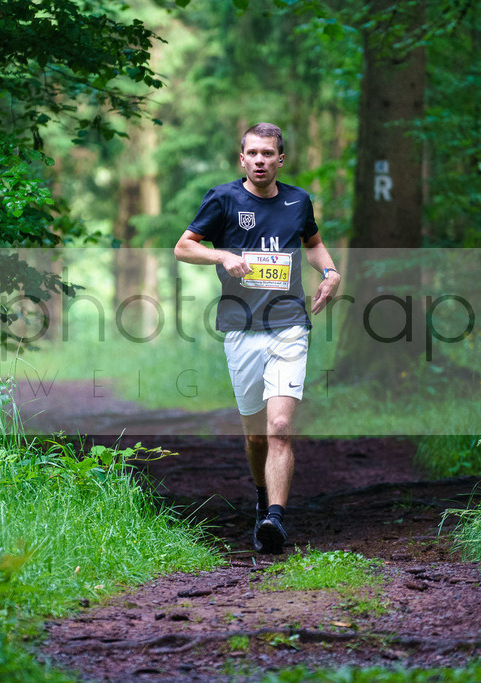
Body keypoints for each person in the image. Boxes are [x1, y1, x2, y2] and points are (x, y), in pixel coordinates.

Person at [173, 122, 341, 555]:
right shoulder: (224, 199)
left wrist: (330, 271)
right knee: (256, 437)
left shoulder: (298, 200)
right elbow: (183, 247)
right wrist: (222, 254)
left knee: (281, 426)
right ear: (242, 159)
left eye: (269, 153)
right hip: (241, 328)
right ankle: (263, 498)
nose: (261, 160)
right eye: (253, 153)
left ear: (280, 159)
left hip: (289, 324)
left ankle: (276, 519)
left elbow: (314, 242)